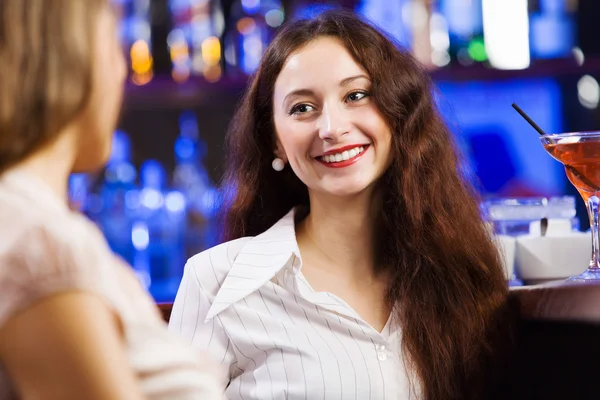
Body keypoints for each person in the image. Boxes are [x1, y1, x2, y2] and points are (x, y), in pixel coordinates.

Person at [169, 9, 512, 400]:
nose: (331, 127)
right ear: (275, 141)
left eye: (356, 95)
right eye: (301, 108)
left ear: (398, 113)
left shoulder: (464, 271)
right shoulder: (215, 282)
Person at [0, 1, 223, 399]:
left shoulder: (39, 224)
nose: (123, 72)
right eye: (114, 47)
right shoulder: (40, 244)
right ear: (74, 58)